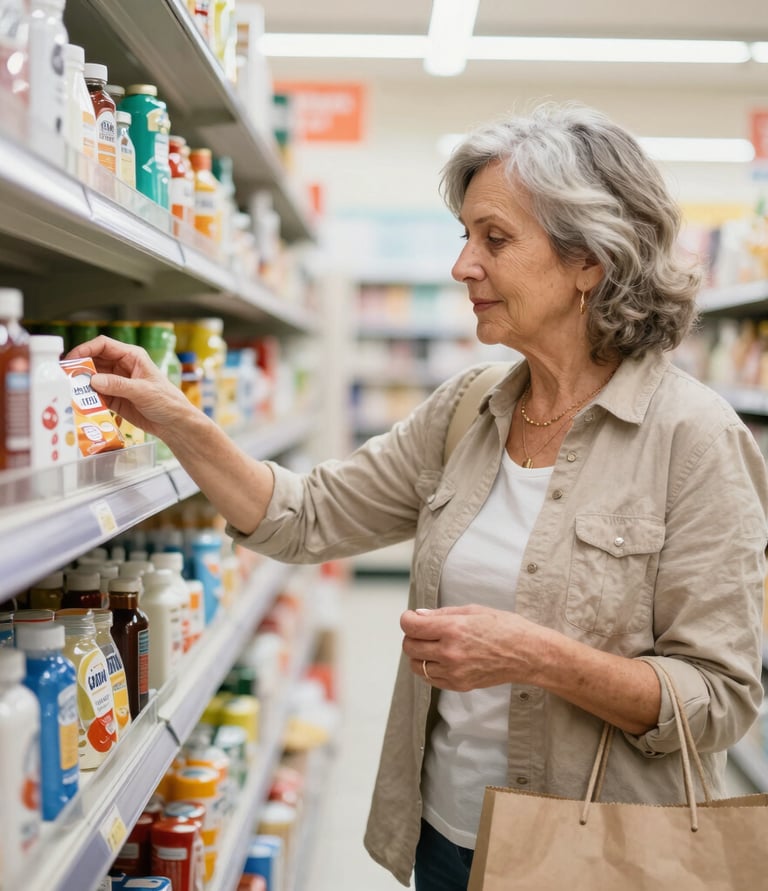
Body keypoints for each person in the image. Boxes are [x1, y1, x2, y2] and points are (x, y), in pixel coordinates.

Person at [67, 101, 768, 891]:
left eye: (494, 239)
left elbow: (719, 699)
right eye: (464, 236)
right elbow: (303, 516)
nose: (463, 265)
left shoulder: (694, 439)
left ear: (589, 261)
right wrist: (176, 417)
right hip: (444, 841)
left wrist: (537, 655)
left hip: (597, 857)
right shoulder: (468, 410)